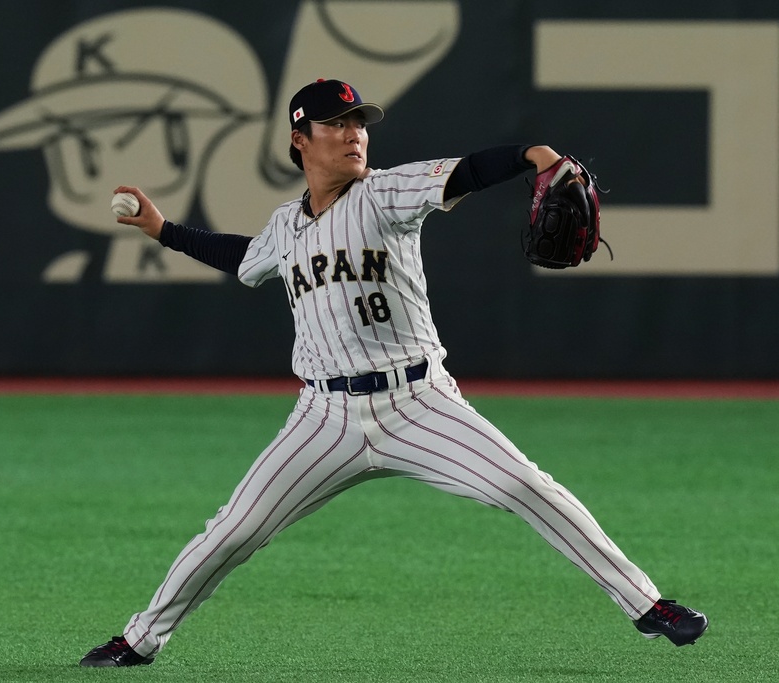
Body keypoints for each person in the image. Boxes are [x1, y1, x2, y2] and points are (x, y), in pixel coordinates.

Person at [80, 79, 708, 668]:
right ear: (300, 139)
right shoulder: (283, 227)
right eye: (336, 123)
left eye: (360, 123)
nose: (354, 133)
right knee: (232, 531)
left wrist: (531, 154)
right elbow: (243, 256)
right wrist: (161, 229)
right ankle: (138, 641)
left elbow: (466, 171)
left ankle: (648, 605)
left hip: (419, 402)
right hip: (323, 418)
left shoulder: (384, 193)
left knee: (525, 486)